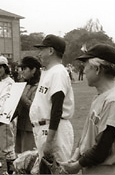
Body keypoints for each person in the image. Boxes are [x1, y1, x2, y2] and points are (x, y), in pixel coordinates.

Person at [61, 44, 115, 174]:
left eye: (85, 65)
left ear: (97, 69)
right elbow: (88, 135)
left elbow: (102, 148)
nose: (84, 70)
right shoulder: (101, 96)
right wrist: (76, 155)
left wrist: (77, 165)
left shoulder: (114, 101)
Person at [29, 34, 75, 166]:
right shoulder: (49, 72)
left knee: (57, 169)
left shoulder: (58, 72)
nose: (39, 53)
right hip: (45, 129)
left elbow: (57, 108)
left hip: (54, 130)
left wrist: (49, 141)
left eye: (41, 49)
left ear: (51, 51)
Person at [0, 56, 17, 174]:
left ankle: (11, 172)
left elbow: (11, 104)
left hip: (6, 118)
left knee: (8, 147)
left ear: (6, 68)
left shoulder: (10, 82)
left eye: (0, 67)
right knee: (4, 145)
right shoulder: (0, 82)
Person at [14, 56, 41, 154]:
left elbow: (33, 107)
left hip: (31, 128)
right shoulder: (24, 85)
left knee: (29, 157)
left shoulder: (39, 87)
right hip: (21, 126)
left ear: (33, 70)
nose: (22, 71)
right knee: (20, 156)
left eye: (24, 68)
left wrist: (21, 96)